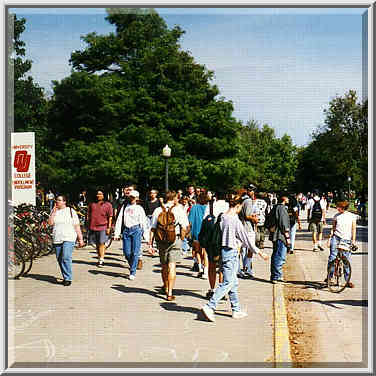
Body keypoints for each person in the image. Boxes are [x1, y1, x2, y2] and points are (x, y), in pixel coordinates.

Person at [201, 194, 269, 322]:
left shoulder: (222, 217)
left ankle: (236, 309)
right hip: (231, 252)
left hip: (222, 251)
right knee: (228, 282)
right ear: (237, 206)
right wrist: (259, 252)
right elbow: (246, 240)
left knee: (233, 282)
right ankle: (210, 306)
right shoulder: (234, 220)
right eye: (240, 208)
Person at [149, 191, 189, 301]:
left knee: (164, 265)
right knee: (172, 266)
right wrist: (181, 238)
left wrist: (150, 244)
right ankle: (170, 292)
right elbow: (184, 227)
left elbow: (152, 228)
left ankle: (166, 287)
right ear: (174, 198)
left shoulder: (158, 210)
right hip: (174, 238)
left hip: (161, 240)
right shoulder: (178, 210)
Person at [48, 195, 85, 286]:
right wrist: (53, 212)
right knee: (59, 258)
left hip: (69, 237)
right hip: (57, 237)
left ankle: (68, 278)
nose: (58, 202)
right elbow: (50, 223)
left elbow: (76, 225)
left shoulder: (71, 211)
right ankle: (65, 276)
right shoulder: (55, 211)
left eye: (60, 200)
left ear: (64, 202)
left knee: (66, 257)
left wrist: (80, 239)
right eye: (57, 200)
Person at [114, 190, 148, 280]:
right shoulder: (125, 206)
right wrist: (116, 233)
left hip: (136, 230)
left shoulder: (139, 208)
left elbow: (143, 222)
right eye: (130, 197)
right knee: (127, 252)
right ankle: (133, 264)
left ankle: (133, 271)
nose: (132, 199)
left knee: (135, 252)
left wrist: (146, 236)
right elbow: (119, 220)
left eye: (133, 197)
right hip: (126, 230)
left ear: (137, 198)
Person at [201, 190, 229, 299]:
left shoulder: (210, 206)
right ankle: (221, 290)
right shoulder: (228, 206)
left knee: (212, 264)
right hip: (224, 238)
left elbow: (205, 221)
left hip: (212, 239)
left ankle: (212, 289)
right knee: (223, 266)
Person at [326, 201, 357, 288]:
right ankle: (329, 277)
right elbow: (333, 228)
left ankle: (347, 280)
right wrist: (329, 239)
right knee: (332, 257)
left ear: (343, 208)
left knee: (346, 260)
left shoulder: (352, 216)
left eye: (338, 207)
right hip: (336, 238)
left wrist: (353, 241)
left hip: (346, 240)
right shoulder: (336, 216)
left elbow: (353, 229)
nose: (337, 208)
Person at [87, 190, 113, 267]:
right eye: (97, 194)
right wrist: (87, 225)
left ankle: (101, 260)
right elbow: (88, 215)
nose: (98, 195)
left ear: (104, 195)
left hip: (103, 226)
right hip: (93, 226)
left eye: (100, 194)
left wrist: (109, 227)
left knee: (101, 243)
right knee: (97, 244)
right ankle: (99, 257)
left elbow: (110, 217)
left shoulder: (108, 205)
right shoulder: (92, 204)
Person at [270, 194, 291, 284]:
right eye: (287, 197)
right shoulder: (282, 209)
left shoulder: (276, 207)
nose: (289, 199)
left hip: (275, 234)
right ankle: (276, 275)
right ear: (284, 198)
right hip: (280, 235)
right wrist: (287, 237)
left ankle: (276, 275)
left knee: (276, 254)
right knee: (280, 256)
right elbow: (284, 224)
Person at [188, 192, 209, 278]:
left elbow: (190, 221)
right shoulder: (208, 208)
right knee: (205, 252)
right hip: (206, 232)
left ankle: (200, 268)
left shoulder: (194, 208)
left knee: (197, 251)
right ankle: (206, 270)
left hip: (196, 231)